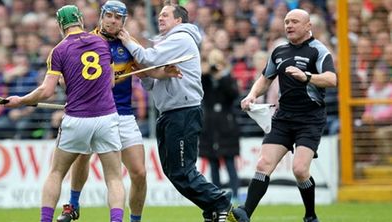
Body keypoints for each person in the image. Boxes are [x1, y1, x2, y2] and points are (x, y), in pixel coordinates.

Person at [4, 5, 125, 222]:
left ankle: (45, 219)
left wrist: (21, 100)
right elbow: (110, 83)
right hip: (107, 118)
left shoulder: (59, 50)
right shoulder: (101, 42)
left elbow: (47, 91)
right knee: (114, 177)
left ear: (61, 25)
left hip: (77, 119)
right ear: (80, 20)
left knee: (56, 173)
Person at [118, 2, 234, 222]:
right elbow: (153, 84)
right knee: (175, 173)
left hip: (182, 111)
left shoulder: (180, 39)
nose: (160, 18)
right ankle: (211, 209)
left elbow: (148, 58)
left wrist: (127, 40)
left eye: (165, 15)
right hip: (171, 113)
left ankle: (220, 202)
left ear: (179, 20)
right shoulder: (169, 42)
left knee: (182, 171)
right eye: (160, 15)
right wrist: (143, 75)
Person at [230, 9, 337, 222]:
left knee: (299, 170)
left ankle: (310, 216)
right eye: (287, 21)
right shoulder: (279, 51)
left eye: (295, 21)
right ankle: (244, 214)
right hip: (283, 118)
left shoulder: (318, 50)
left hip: (310, 119)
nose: (289, 25)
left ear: (308, 26)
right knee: (263, 165)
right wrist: (251, 95)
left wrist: (307, 77)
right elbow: (265, 78)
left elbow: (331, 79)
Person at [56, 1, 147, 222]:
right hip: (93, 110)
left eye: (118, 17)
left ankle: (135, 219)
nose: (112, 20)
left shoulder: (129, 43)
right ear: (101, 17)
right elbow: (61, 78)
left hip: (123, 114)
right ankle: (73, 206)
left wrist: (166, 73)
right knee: (82, 157)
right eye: (109, 16)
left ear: (124, 21)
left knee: (139, 173)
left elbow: (146, 71)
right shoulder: (85, 41)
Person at [199, 49, 241, 203]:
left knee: (230, 162)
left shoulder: (228, 78)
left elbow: (233, 94)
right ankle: (216, 195)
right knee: (213, 163)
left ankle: (236, 194)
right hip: (210, 127)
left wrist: (222, 77)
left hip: (226, 126)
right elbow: (200, 91)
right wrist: (206, 73)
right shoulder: (207, 80)